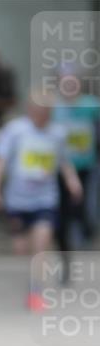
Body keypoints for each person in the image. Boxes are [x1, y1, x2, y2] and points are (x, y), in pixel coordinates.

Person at [0, 95, 83, 309]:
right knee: (20, 248)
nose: (43, 116)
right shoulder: (15, 131)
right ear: (30, 110)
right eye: (39, 111)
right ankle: (32, 276)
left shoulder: (58, 133)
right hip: (17, 201)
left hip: (45, 199)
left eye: (47, 112)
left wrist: (72, 181)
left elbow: (64, 161)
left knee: (42, 243)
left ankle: (36, 291)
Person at [52, 68, 100, 249]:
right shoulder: (54, 106)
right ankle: (65, 238)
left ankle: (85, 235)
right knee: (63, 205)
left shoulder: (91, 104)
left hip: (86, 164)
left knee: (85, 203)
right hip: (61, 165)